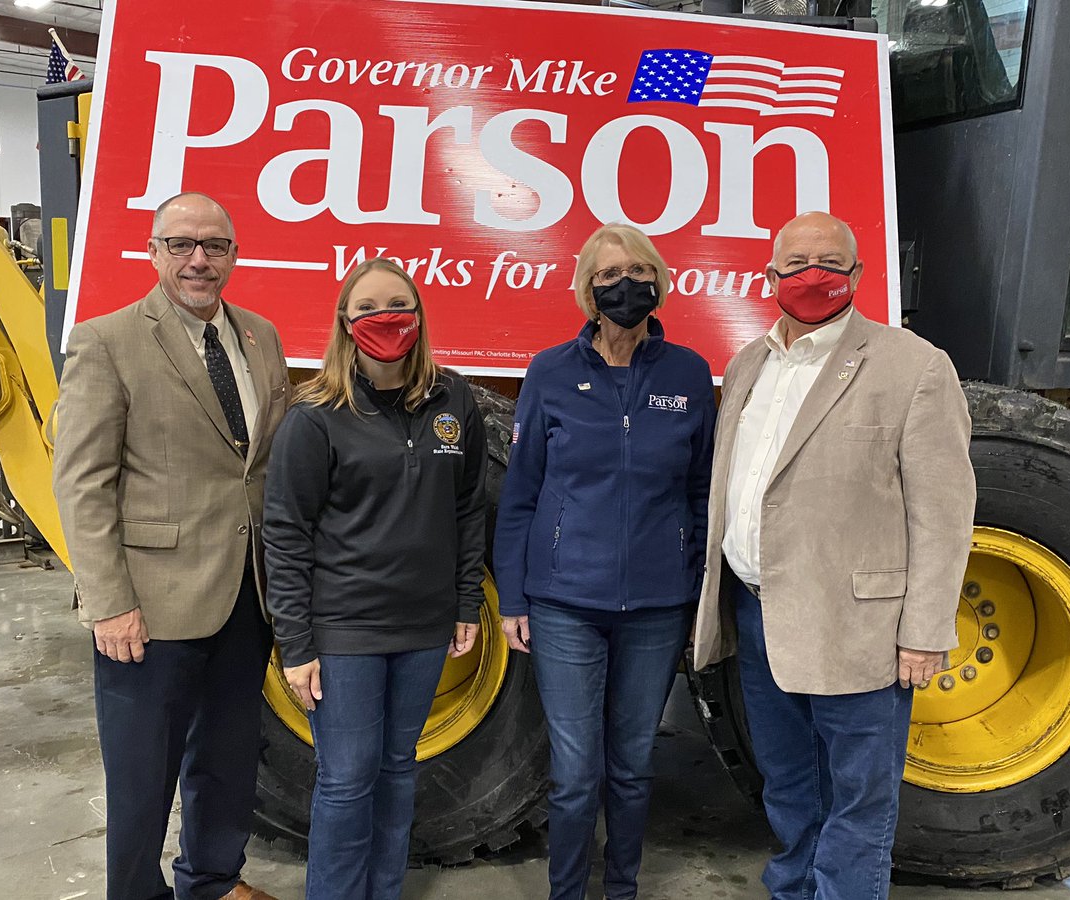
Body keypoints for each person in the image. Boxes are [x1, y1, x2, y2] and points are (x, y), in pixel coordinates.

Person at [691, 211, 977, 900]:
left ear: (857, 274)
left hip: (860, 630)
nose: (813, 275)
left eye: (830, 263)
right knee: (788, 784)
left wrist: (925, 631)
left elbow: (943, 513)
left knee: (858, 801)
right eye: (796, 263)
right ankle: (794, 890)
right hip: (759, 616)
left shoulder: (914, 366)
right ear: (770, 276)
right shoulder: (750, 364)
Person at [53, 192, 288, 900]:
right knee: (141, 775)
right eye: (181, 244)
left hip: (246, 593)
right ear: (153, 252)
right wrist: (109, 603)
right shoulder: (107, 341)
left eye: (215, 245)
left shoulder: (261, 337)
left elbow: (262, 466)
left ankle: (212, 880)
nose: (198, 260)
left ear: (234, 256)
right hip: (148, 608)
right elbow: (83, 483)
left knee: (228, 757)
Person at [494, 223, 716, 900]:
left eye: (640, 271)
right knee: (573, 775)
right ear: (588, 290)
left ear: (660, 283)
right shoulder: (550, 372)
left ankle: (622, 888)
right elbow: (521, 494)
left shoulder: (688, 373)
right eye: (611, 274)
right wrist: (513, 598)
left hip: (657, 607)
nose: (627, 284)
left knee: (633, 767)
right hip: (564, 605)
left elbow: (703, 490)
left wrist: (697, 589)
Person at [262, 258, 487, 900]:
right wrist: (295, 643)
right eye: (367, 308)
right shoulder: (315, 417)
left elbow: (468, 509)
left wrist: (465, 602)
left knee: (397, 769)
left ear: (418, 317)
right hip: (345, 632)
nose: (385, 318)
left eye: (398, 305)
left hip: (424, 628)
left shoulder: (454, 400)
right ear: (345, 322)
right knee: (346, 779)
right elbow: (286, 533)